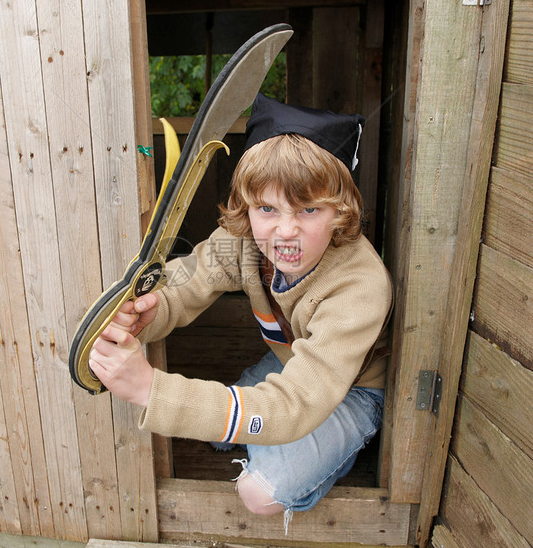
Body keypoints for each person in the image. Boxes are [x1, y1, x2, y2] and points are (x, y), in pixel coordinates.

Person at [89, 93, 393, 529]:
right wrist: (145, 314)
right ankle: (266, 421)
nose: (285, 230)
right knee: (233, 428)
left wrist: (152, 390)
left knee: (259, 491)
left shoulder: (359, 284)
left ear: (340, 213)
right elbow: (186, 282)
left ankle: (333, 446)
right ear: (247, 208)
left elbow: (295, 405)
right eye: (267, 208)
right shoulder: (245, 242)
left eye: (309, 209)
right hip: (292, 357)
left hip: (353, 388)